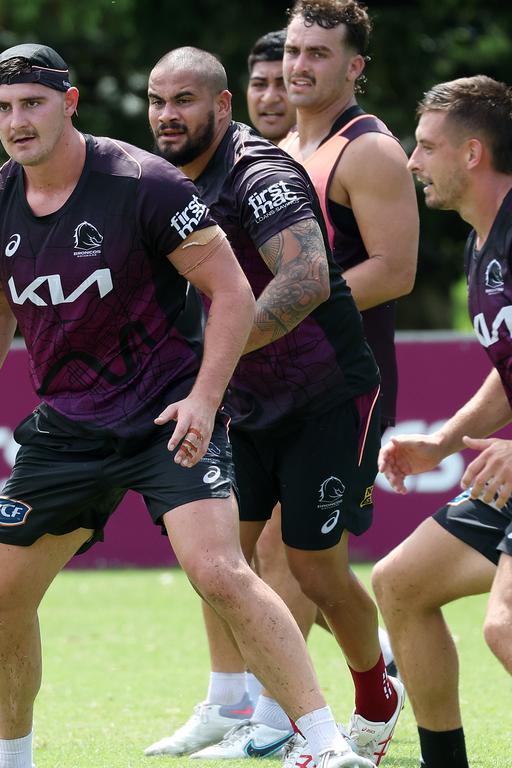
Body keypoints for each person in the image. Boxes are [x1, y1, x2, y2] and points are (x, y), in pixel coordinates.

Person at [0, 43, 374, 768]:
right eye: (3, 108)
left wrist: (204, 400)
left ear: (70, 103)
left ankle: (325, 741)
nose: (18, 121)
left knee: (218, 569)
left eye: (33, 104)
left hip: (165, 413)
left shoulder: (143, 183)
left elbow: (233, 292)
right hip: (69, 425)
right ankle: (10, 758)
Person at [141, 47, 402, 767]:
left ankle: (375, 695)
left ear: (222, 108)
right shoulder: (161, 182)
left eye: (185, 100)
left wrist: (209, 367)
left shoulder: (259, 172)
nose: (168, 115)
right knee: (215, 557)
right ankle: (239, 707)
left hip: (328, 395)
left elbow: (310, 276)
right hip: (242, 401)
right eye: (158, 101)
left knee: (312, 568)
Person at [374, 75, 512, 768]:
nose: (411, 161)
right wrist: (446, 440)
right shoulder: (482, 244)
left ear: (472, 154)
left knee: (506, 628)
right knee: (400, 584)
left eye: (425, 146)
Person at [246, 30, 297, 144]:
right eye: (259, 84)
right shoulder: (232, 158)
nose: (269, 98)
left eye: (283, 84)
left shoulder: (337, 156)